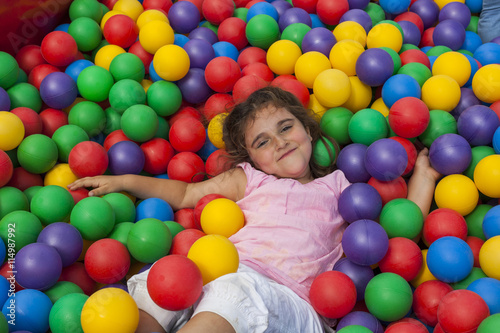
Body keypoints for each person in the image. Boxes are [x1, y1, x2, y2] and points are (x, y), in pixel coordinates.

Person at [68, 86, 440, 333]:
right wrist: (125, 181)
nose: (279, 143)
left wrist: (425, 177)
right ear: (253, 159)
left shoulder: (341, 188)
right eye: (263, 142)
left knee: (234, 290)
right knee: (166, 279)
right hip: (222, 272)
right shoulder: (251, 180)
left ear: (308, 130)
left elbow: (397, 231)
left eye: (286, 127)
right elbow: (184, 194)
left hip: (289, 302)